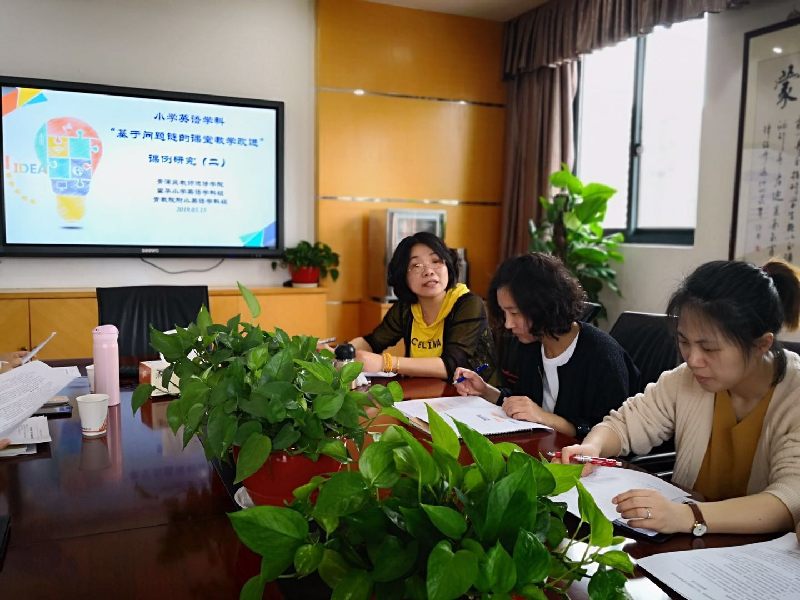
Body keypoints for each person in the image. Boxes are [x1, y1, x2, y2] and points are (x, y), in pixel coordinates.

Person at [559, 259, 800, 535]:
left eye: (709, 348)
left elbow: (788, 501)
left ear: (761, 344)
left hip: (755, 552)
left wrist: (688, 516)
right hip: (688, 545)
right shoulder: (687, 379)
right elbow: (623, 424)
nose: (693, 360)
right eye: (684, 342)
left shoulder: (793, 396)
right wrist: (593, 448)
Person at [454, 253, 639, 438]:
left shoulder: (603, 356)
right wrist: (485, 391)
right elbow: (525, 401)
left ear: (543, 306)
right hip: (543, 444)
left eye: (515, 313)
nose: (509, 324)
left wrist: (544, 417)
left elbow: (611, 433)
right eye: (504, 313)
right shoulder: (532, 343)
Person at [349, 232, 497, 382]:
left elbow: (452, 365)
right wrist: (342, 354)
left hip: (475, 394)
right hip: (426, 392)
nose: (428, 271)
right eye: (416, 265)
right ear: (403, 276)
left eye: (436, 261)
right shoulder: (406, 309)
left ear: (447, 265)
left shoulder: (468, 304)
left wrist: (386, 363)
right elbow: (373, 342)